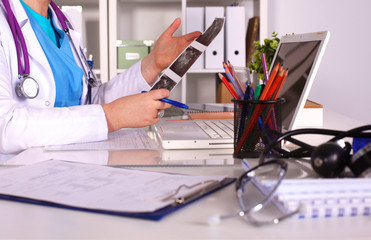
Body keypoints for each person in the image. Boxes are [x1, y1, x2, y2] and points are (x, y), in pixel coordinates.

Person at [0, 0, 201, 154]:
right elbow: (6, 127)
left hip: (72, 169)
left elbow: (89, 102)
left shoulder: (63, 23)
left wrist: (153, 63)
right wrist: (112, 117)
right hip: (22, 182)